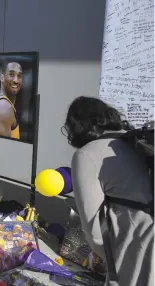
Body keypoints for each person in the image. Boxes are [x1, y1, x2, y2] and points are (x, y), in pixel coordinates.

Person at [63, 96, 153, 286]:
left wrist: (115, 257)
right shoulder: (134, 138)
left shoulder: (87, 154)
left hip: (142, 247)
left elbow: (95, 233)